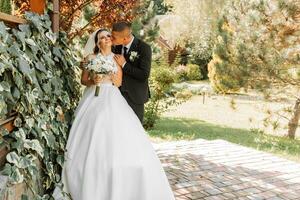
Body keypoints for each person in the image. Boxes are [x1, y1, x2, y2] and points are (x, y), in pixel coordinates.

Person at [52, 28, 175, 200]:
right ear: (97, 42)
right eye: (102, 37)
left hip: (112, 97)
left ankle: (115, 175)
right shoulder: (90, 59)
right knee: (91, 133)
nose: (107, 38)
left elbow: (118, 82)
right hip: (93, 97)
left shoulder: (117, 58)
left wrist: (110, 72)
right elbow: (83, 80)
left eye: (108, 36)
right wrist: (92, 80)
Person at [112, 22, 151, 123]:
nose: (111, 39)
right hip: (116, 95)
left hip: (135, 96)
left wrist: (124, 64)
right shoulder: (115, 47)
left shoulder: (144, 48)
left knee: (135, 129)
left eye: (114, 37)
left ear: (124, 39)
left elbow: (144, 75)